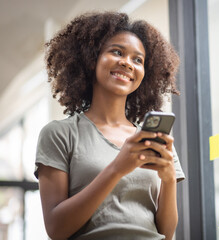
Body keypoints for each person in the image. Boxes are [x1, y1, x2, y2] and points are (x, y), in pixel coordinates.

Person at [34, 11, 185, 240]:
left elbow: (166, 232)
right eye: (117, 52)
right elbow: (56, 229)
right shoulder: (59, 134)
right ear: (91, 58)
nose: (127, 63)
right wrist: (117, 168)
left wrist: (169, 180)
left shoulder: (153, 139)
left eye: (138, 59)